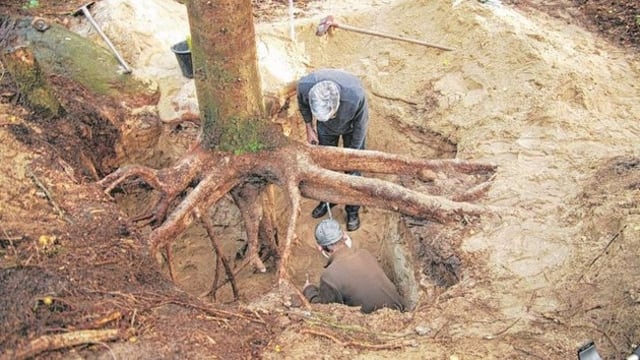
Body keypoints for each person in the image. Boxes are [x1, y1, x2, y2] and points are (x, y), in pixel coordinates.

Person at [297, 69, 369, 231]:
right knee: (326, 167)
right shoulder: (305, 86)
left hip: (352, 128)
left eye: (331, 115)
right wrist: (309, 127)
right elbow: (302, 105)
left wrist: (352, 155)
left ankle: (352, 210)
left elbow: (361, 127)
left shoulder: (354, 96)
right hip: (325, 129)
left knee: (353, 170)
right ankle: (328, 200)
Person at [302, 219, 404, 314]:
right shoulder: (364, 254)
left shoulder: (329, 277)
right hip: (401, 312)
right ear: (345, 236)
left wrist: (309, 290)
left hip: (376, 324)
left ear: (320, 248)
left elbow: (325, 309)